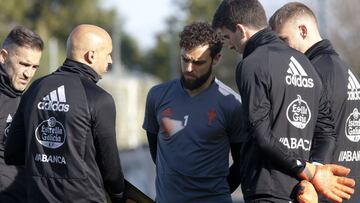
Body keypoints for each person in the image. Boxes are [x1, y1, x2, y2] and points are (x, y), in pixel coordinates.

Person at [212, 0, 355, 202]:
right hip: (301, 192)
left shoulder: (251, 64)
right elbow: (326, 132)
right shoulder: (306, 63)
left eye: (227, 37)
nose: (229, 45)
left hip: (267, 189)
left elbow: (260, 135)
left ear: (240, 30)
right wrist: (314, 172)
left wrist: (310, 172)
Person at [4, 24, 125, 203]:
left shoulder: (35, 88)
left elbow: (13, 153)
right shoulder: (100, 99)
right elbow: (111, 169)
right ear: (91, 56)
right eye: (108, 54)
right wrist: (119, 196)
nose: (110, 61)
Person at [142, 22, 244, 203]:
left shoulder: (231, 103)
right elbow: (155, 150)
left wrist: (214, 194)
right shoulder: (157, 96)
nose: (189, 68)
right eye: (185, 59)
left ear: (216, 58)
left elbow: (242, 163)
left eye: (198, 62)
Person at [269, 2, 360, 202]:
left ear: (302, 30)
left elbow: (318, 137)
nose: (281, 50)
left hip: (324, 192)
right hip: (350, 189)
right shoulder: (344, 69)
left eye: (283, 40)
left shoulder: (311, 72)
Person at [0, 25, 43, 203]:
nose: (28, 73)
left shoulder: (29, 99)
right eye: (24, 64)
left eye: (34, 67)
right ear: (3, 57)